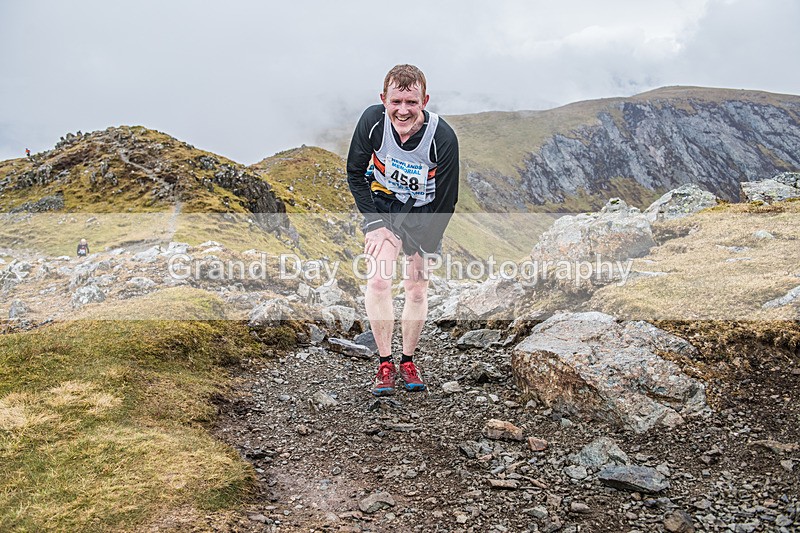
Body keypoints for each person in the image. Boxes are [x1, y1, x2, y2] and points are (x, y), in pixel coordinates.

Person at [347, 64, 459, 396]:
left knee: (417, 288)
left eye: (411, 102)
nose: (403, 110)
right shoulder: (372, 122)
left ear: (425, 101)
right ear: (384, 99)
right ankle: (385, 363)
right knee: (379, 281)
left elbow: (447, 201)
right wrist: (373, 223)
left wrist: (427, 248)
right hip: (384, 206)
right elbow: (355, 173)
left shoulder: (442, 138)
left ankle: (408, 361)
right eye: (396, 102)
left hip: (425, 214)